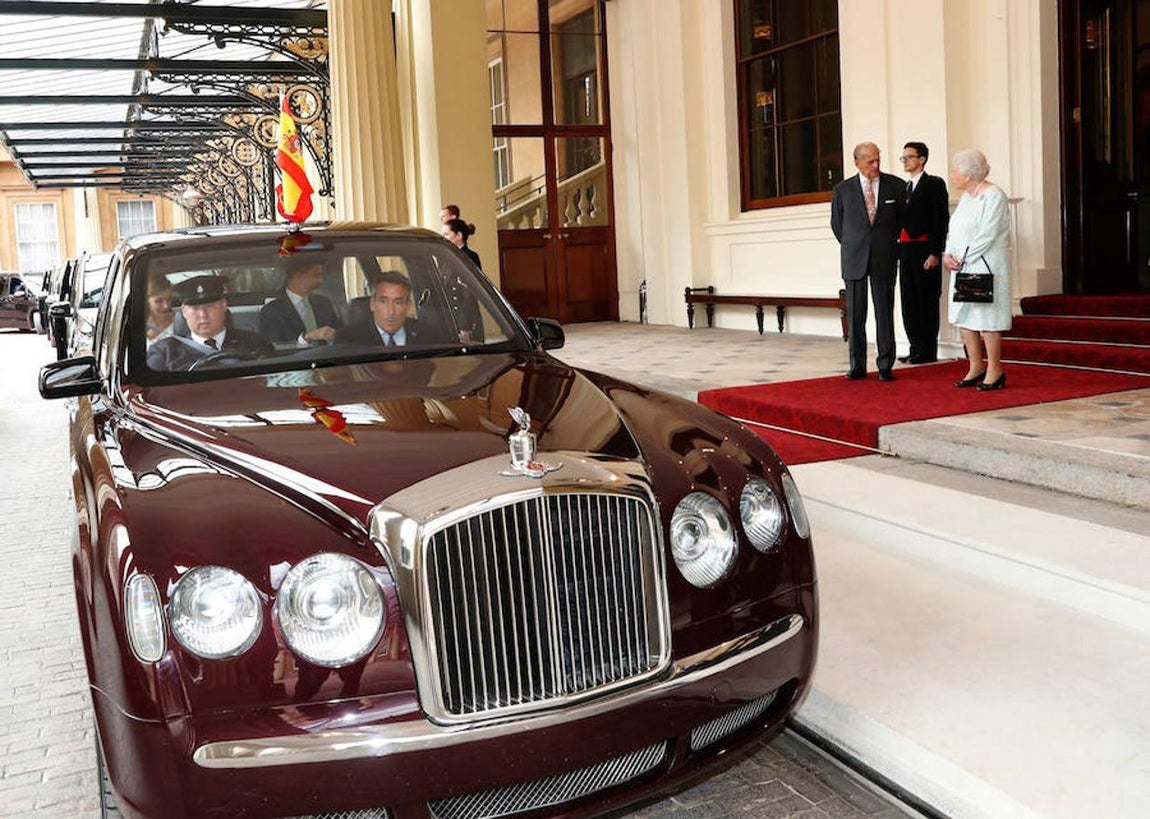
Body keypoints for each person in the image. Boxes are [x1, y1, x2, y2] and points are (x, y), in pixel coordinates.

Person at [830, 141, 903, 381]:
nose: (875, 165)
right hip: (854, 258)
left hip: (884, 256)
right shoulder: (842, 190)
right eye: (870, 161)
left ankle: (885, 366)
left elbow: (900, 221)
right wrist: (855, 245)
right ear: (857, 162)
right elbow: (838, 225)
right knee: (856, 315)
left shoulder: (896, 185)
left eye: (878, 160)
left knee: (884, 312)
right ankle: (857, 366)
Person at [942, 148, 1013, 391]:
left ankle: (995, 369)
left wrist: (962, 257)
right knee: (964, 317)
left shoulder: (994, 196)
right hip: (962, 265)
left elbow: (988, 235)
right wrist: (948, 254)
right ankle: (976, 366)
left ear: (969, 173)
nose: (952, 175)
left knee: (987, 319)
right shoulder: (966, 197)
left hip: (985, 265)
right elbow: (955, 229)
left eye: (955, 170)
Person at [147, 275, 274, 371]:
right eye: (195, 308)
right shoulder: (164, 353)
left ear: (224, 305)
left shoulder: (256, 343)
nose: (203, 315)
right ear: (184, 312)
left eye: (210, 306)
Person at [897, 141, 950, 364]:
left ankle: (927, 351)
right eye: (903, 157)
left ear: (922, 159)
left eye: (909, 157)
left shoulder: (934, 184)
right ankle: (915, 347)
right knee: (908, 301)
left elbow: (940, 220)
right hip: (906, 251)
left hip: (925, 250)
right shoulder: (904, 188)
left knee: (925, 301)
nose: (905, 161)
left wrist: (935, 253)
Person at [259, 257, 342, 345]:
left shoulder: (324, 303)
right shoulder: (272, 311)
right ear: (298, 277)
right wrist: (304, 338)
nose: (320, 280)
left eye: (321, 276)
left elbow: (340, 332)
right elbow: (274, 347)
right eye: (316, 275)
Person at [334, 272, 429, 347]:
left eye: (398, 302)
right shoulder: (347, 339)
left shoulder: (428, 335)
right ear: (372, 304)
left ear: (408, 305)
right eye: (383, 302)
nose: (391, 312)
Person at [145, 274, 175, 346]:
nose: (166, 306)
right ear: (146, 301)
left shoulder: (181, 321)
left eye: (169, 299)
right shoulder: (136, 326)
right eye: (158, 301)